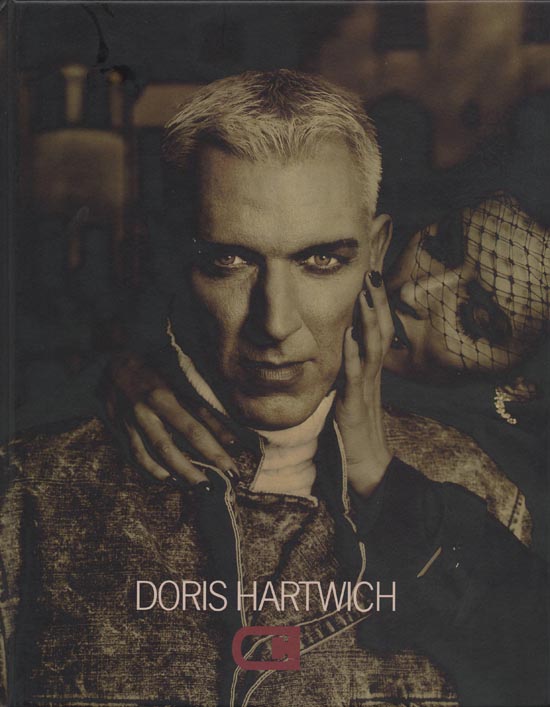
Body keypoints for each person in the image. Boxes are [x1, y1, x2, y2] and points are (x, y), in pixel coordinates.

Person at [1, 70, 547, 707]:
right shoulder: (42, 479)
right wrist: (124, 367)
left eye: (477, 319)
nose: (415, 295)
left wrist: (375, 466)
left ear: (521, 380)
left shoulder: (493, 482)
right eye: (442, 247)